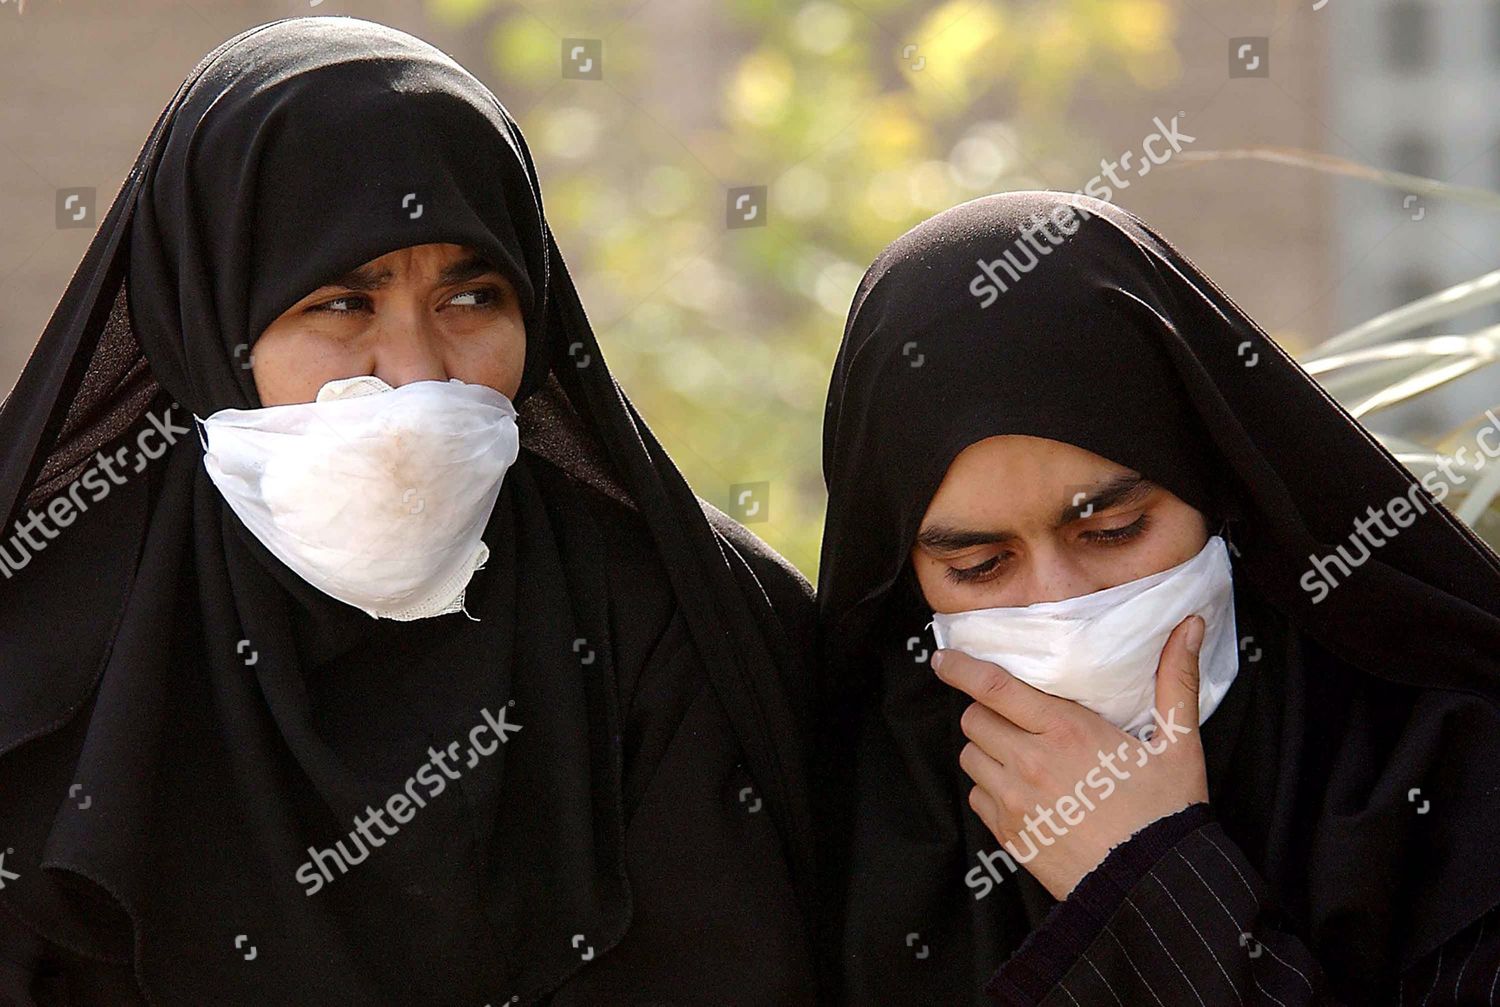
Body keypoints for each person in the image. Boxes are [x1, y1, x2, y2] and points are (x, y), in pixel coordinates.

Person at [0, 17, 821, 1005]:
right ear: (208, 318)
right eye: (342, 303)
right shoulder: (44, 650)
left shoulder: (680, 622)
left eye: (472, 298)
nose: (419, 369)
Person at [813, 190, 1500, 1004]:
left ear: (1223, 493)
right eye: (981, 567)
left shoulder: (1451, 770)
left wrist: (1150, 881)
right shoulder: (844, 826)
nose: (1060, 611)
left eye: (1114, 530)